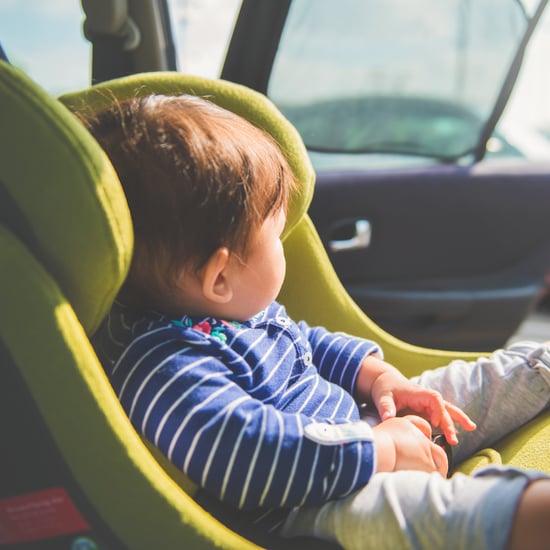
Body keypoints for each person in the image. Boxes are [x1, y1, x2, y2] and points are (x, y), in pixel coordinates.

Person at [84, 94, 550, 550]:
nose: (284, 245)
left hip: (367, 426)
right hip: (315, 506)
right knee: (443, 516)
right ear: (220, 276)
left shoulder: (234, 311)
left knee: (499, 376)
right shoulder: (164, 363)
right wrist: (379, 450)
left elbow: (306, 343)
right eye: (275, 234)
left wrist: (380, 379)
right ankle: (523, 513)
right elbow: (246, 453)